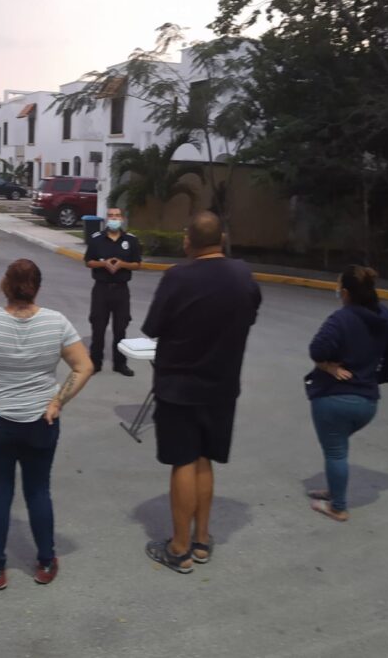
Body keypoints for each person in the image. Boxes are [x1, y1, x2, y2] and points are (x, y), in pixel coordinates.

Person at [0, 259, 93, 590]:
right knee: (38, 491)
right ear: (37, 287)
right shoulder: (56, 322)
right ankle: (46, 560)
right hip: (42, 421)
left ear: (4, 285)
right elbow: (84, 366)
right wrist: (57, 402)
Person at [140, 212, 261, 573]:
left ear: (188, 241)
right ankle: (202, 540)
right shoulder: (243, 275)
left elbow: (153, 327)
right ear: (221, 239)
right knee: (205, 460)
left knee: (183, 461)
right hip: (222, 386)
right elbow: (250, 314)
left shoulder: (177, 277)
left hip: (179, 387)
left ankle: (179, 548)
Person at [305, 265, 388, 522]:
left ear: (345, 292)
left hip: (334, 399)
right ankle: (334, 489)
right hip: (366, 402)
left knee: (335, 452)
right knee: (337, 448)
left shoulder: (341, 319)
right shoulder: (383, 316)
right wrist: (380, 376)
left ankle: (338, 506)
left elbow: (317, 349)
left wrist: (327, 366)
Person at [83, 206, 142, 376]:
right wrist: (104, 264)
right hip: (101, 289)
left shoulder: (131, 240)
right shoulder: (97, 239)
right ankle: (95, 363)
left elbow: (137, 264)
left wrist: (123, 264)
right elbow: (88, 261)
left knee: (120, 328)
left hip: (121, 290)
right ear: (107, 219)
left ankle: (120, 364)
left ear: (122, 219)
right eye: (110, 216)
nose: (114, 219)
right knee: (98, 327)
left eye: (117, 216)